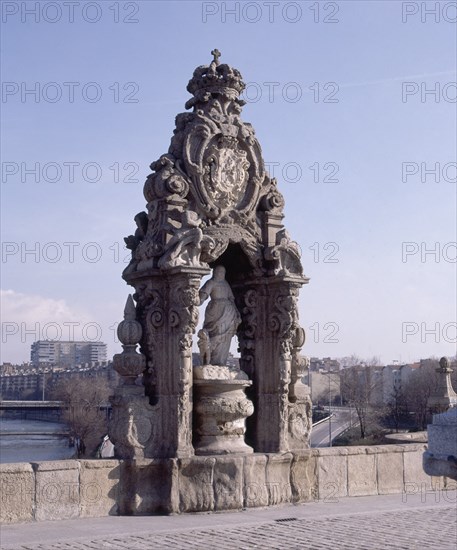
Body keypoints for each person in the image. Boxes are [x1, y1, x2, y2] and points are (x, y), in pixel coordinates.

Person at [199, 266, 241, 365]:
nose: (221, 273)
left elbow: (231, 298)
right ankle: (211, 362)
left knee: (225, 338)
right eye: (219, 271)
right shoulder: (211, 282)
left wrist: (236, 311)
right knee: (213, 334)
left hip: (228, 313)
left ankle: (221, 362)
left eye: (223, 272)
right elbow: (203, 295)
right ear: (214, 272)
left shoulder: (226, 284)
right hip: (215, 311)